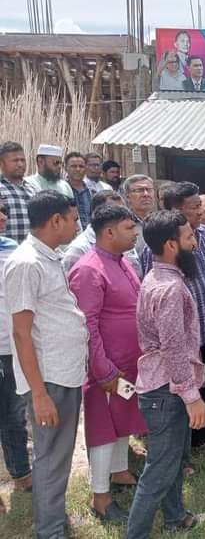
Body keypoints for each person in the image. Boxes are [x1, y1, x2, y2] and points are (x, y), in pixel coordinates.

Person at [5, 191, 86, 538]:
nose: (76, 225)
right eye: (72, 219)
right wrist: (38, 394)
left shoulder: (49, 257)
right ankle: (50, 531)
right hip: (48, 379)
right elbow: (22, 334)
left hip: (63, 372)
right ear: (56, 220)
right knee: (51, 457)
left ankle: (54, 517)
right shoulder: (26, 263)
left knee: (58, 455)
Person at [126, 210, 205, 539]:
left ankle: (176, 518)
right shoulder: (170, 289)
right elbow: (174, 348)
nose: (196, 243)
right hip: (167, 391)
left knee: (171, 461)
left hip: (162, 387)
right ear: (172, 245)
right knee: (159, 470)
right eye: (190, 238)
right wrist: (191, 398)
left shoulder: (159, 277)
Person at [68, 205, 147, 522]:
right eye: (129, 228)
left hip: (129, 366)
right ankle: (100, 496)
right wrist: (103, 371)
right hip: (106, 370)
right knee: (103, 428)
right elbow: (86, 327)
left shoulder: (123, 262)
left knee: (121, 420)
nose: (135, 233)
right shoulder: (89, 269)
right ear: (109, 232)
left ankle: (120, 472)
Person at [142, 182, 205, 446]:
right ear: (174, 210)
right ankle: (194, 435)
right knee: (191, 380)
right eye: (194, 208)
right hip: (185, 334)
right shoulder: (160, 251)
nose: (201, 212)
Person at [0, 198, 32, 494]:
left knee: (13, 413)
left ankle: (21, 472)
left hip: (9, 346)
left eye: (2, 212)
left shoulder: (13, 250)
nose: (1, 217)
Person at [62, 190, 141, 276]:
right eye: (116, 211)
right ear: (99, 214)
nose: (124, 215)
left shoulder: (125, 239)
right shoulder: (78, 250)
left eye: (124, 209)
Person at [0, 141, 32, 243]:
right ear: (2, 164)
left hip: (30, 253)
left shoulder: (31, 189)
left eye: (22, 160)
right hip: (5, 253)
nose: (20, 164)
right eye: (15, 160)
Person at [123, 174, 156, 260]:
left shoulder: (161, 221)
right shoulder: (122, 224)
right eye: (140, 190)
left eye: (149, 190)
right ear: (127, 197)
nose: (146, 194)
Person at [65, 152, 92, 229]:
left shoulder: (92, 192)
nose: (78, 169)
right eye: (73, 166)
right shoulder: (61, 191)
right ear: (66, 168)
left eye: (81, 166)